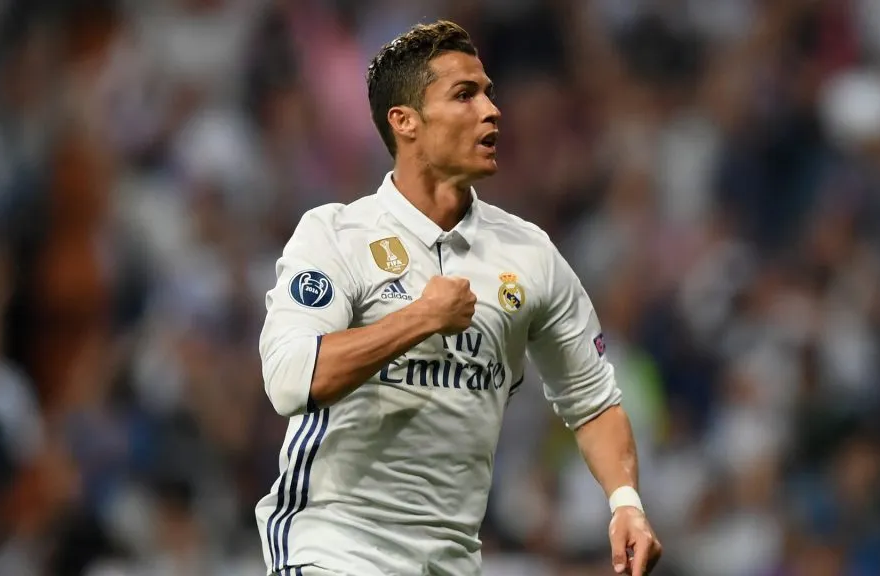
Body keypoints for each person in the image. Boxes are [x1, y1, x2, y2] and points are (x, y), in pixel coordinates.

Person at [254, 20, 662, 576]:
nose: (492, 110)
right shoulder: (335, 235)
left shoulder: (530, 254)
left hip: (451, 560)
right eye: (465, 95)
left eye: (489, 92)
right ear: (406, 123)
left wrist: (625, 504)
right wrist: (419, 318)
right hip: (335, 547)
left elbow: (591, 398)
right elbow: (289, 379)